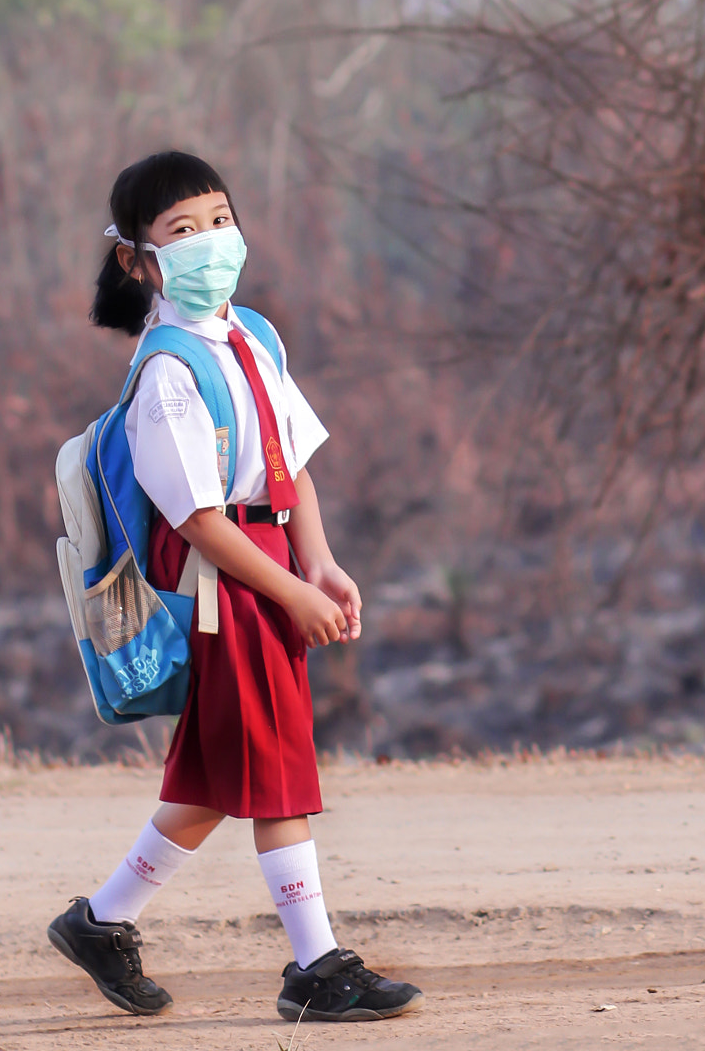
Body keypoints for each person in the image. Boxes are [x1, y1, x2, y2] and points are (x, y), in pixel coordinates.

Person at [47, 149, 423, 1025]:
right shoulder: (167, 371)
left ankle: (102, 922)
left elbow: (288, 467)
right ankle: (315, 967)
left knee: (222, 776)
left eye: (219, 218)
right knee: (278, 770)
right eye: (182, 230)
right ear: (139, 259)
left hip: (268, 566)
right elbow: (198, 519)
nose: (210, 241)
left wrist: (319, 562)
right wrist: (289, 593)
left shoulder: (252, 334)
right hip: (223, 583)